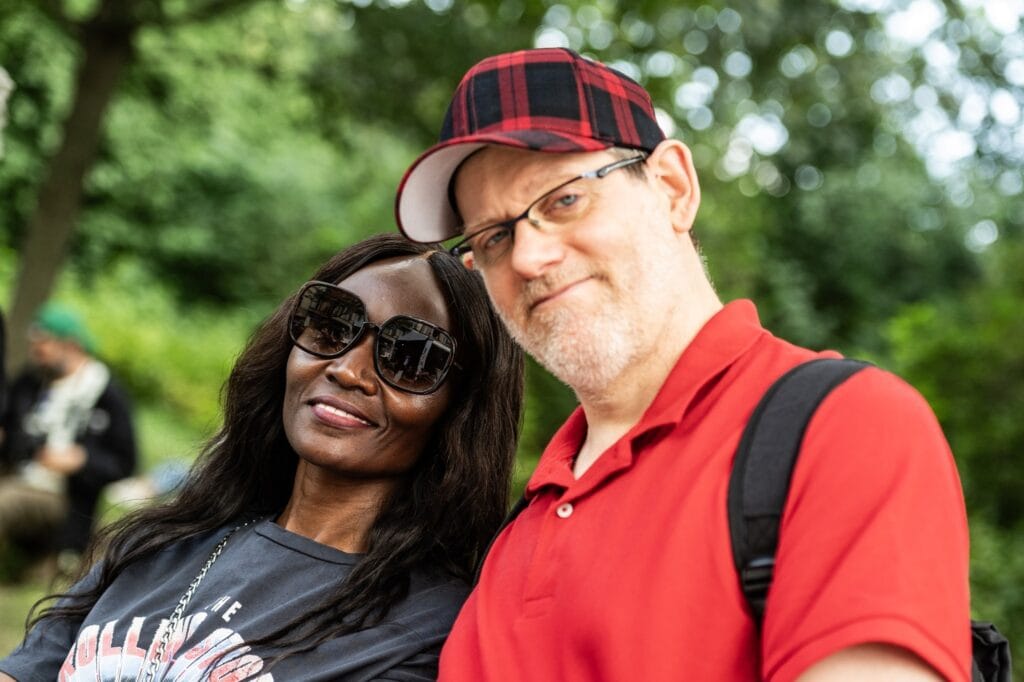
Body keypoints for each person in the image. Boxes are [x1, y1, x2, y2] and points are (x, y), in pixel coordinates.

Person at [394, 48, 971, 681]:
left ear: (672, 187)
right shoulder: (508, 541)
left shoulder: (844, 427)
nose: (528, 257)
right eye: (494, 237)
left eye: (563, 200)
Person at [0, 234, 524, 680]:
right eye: (331, 326)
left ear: (463, 407)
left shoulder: (429, 631)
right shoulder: (158, 541)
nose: (346, 369)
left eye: (411, 357)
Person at [0, 304, 137, 573]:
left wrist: (82, 461)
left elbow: (125, 462)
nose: (36, 356)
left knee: (4, 502)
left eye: (43, 348)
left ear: (70, 345)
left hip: (61, 495)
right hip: (17, 472)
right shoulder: (31, 381)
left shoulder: (106, 394)